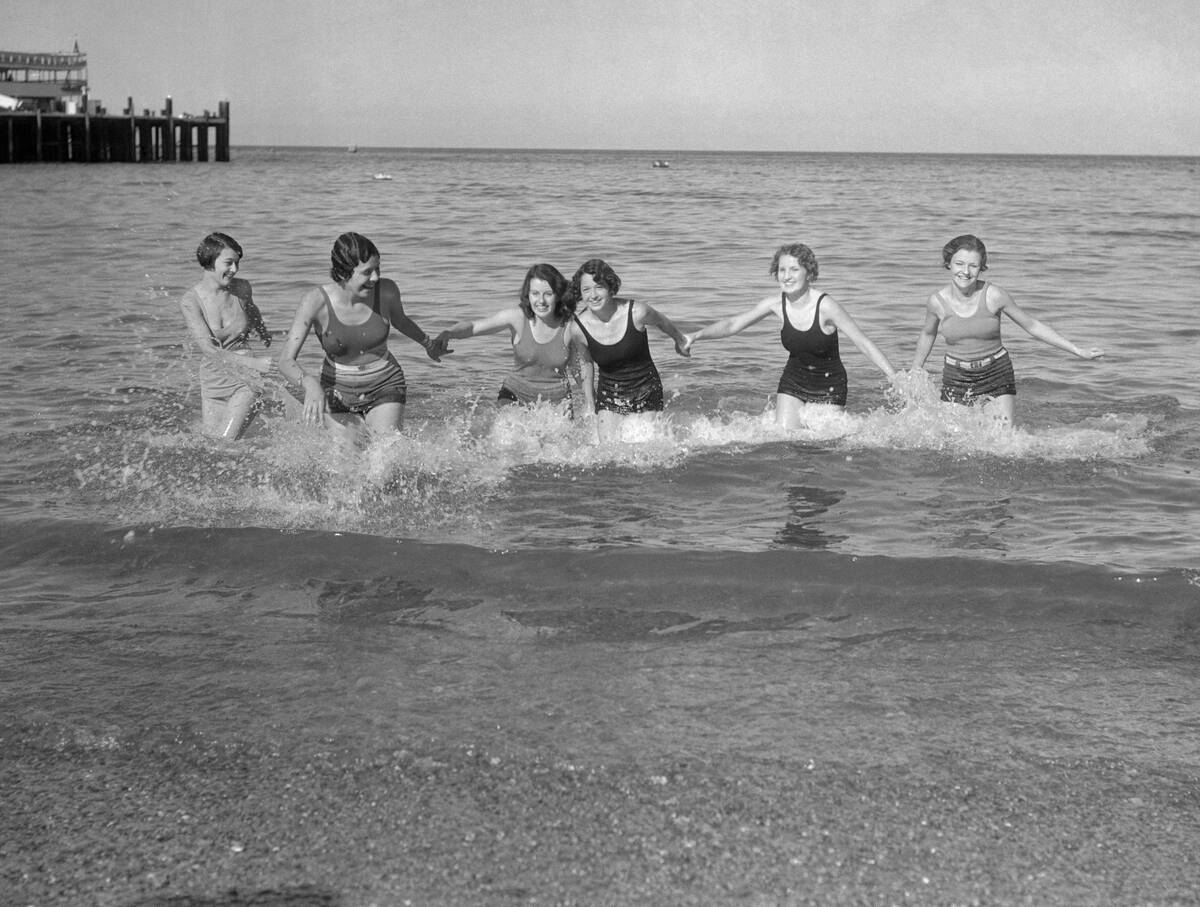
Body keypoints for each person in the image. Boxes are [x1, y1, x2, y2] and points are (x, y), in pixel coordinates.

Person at [682, 243, 896, 427]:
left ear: (809, 273)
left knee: (824, 447)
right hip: (793, 381)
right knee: (784, 439)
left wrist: (895, 378)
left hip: (828, 384)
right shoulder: (775, 304)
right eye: (782, 270)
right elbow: (733, 324)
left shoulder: (826, 306)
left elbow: (863, 342)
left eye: (794, 269)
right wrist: (695, 336)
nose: (786, 276)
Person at [911, 234, 1104, 422]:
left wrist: (1078, 350)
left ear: (981, 268)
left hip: (995, 372)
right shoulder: (936, 302)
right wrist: (915, 370)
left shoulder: (994, 296)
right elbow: (928, 334)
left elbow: (1032, 325)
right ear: (949, 263)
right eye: (959, 264)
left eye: (973, 265)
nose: (966, 272)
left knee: (1003, 441)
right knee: (955, 442)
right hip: (956, 376)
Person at [277, 232, 448, 437]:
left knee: (384, 454)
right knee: (348, 462)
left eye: (378, 269)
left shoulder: (387, 291)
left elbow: (401, 321)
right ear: (343, 274)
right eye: (367, 272)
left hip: (386, 383)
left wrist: (429, 344)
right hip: (337, 390)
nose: (375, 277)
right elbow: (285, 361)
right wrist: (310, 384)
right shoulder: (314, 302)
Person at [434, 263, 593, 415]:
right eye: (535, 293)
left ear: (558, 296)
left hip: (556, 401)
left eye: (548, 294)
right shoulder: (517, 317)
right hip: (514, 395)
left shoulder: (569, 326)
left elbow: (579, 370)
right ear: (527, 295)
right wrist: (449, 333)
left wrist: (591, 403)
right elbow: (474, 327)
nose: (541, 301)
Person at [566, 258, 690, 442]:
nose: (593, 295)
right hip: (610, 393)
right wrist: (589, 402)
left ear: (610, 286)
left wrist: (679, 340)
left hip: (645, 389)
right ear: (580, 294)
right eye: (586, 289)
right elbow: (586, 363)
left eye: (599, 287)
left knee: (646, 447)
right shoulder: (578, 329)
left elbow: (661, 321)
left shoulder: (637, 312)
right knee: (607, 452)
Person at [179, 232, 274, 440]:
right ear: (210, 261)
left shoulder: (242, 288)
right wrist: (257, 364)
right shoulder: (191, 301)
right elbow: (208, 350)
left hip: (246, 379)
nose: (235, 270)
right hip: (213, 381)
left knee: (225, 442)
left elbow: (251, 309)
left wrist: (262, 331)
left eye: (237, 264)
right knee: (213, 450)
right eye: (229, 263)